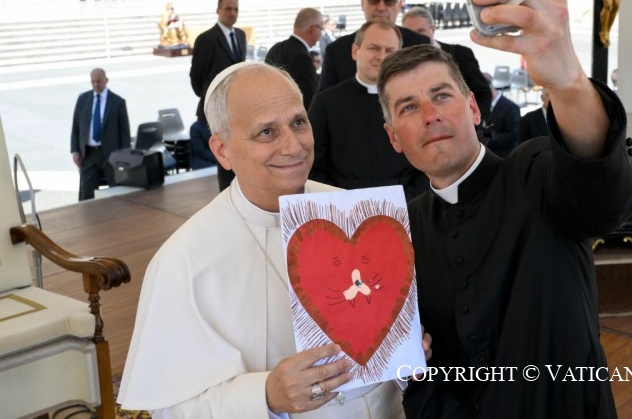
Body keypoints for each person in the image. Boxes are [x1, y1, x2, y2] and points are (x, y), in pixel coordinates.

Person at [377, 0, 632, 417]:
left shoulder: (534, 173)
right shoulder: (404, 230)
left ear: (473, 109)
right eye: (408, 107)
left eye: (441, 95)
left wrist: (568, 82)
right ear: (394, 138)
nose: (430, 115)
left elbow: (604, 196)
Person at [119, 62, 413, 418]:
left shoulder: (357, 214)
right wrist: (266, 396)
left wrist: (409, 349)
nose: (293, 146)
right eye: (267, 132)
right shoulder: (184, 261)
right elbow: (172, 410)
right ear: (222, 150)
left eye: (298, 123)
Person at [308, 20, 428, 201]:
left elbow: (430, 158)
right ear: (355, 51)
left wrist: (408, 200)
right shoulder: (325, 102)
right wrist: (341, 202)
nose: (381, 56)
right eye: (374, 48)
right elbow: (312, 166)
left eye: (390, 51)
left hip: (408, 203)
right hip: (342, 206)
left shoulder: (415, 101)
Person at [318, 0, 429, 92]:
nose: (381, 7)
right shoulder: (337, 51)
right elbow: (325, 100)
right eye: (374, 0)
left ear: (399, 5)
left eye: (389, 1)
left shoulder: (421, 46)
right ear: (362, 3)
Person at [189, 0, 247, 190]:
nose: (233, 13)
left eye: (236, 9)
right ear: (218, 11)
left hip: (237, 108)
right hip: (216, 109)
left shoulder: (240, 36)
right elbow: (196, 77)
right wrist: (212, 99)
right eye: (228, 9)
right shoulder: (206, 39)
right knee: (225, 157)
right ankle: (227, 197)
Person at [401, 6, 492, 123]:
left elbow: (483, 94)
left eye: (421, 31)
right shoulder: (401, 65)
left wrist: (473, 124)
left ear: (433, 30)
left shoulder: (461, 54)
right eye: (410, 33)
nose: (416, 37)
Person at [70, 68, 131, 201]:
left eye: (99, 81)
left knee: (117, 191)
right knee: (86, 194)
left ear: (106, 80)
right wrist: (75, 151)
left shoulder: (118, 102)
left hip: (111, 155)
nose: (96, 84)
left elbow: (124, 133)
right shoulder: (83, 99)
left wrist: (124, 156)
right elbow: (76, 127)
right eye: (93, 82)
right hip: (89, 155)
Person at [266, 7, 323, 110]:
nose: (321, 34)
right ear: (313, 29)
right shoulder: (302, 56)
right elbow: (308, 98)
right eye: (321, 29)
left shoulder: (275, 48)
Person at [480, 71, 520, 157]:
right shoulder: (483, 105)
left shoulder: (511, 108)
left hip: (503, 157)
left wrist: (488, 139)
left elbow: (514, 135)